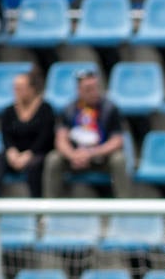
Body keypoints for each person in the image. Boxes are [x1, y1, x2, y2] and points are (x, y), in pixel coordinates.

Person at [42, 70, 133, 200]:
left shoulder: (110, 108)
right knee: (53, 159)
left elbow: (117, 140)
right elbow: (60, 139)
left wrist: (91, 153)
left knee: (119, 159)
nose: (94, 92)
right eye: (88, 89)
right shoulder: (69, 110)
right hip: (74, 157)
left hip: (101, 157)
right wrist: (72, 155)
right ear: (79, 90)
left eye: (96, 88)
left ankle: (125, 206)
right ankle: (49, 209)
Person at [0, 66, 55, 198]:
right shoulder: (9, 111)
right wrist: (11, 151)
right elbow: (5, 135)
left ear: (32, 88)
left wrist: (29, 154)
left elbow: (45, 136)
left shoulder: (45, 109)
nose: (17, 91)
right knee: (0, 157)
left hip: (37, 153)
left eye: (21, 88)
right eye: (15, 88)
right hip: (16, 153)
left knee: (35, 165)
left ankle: (37, 202)